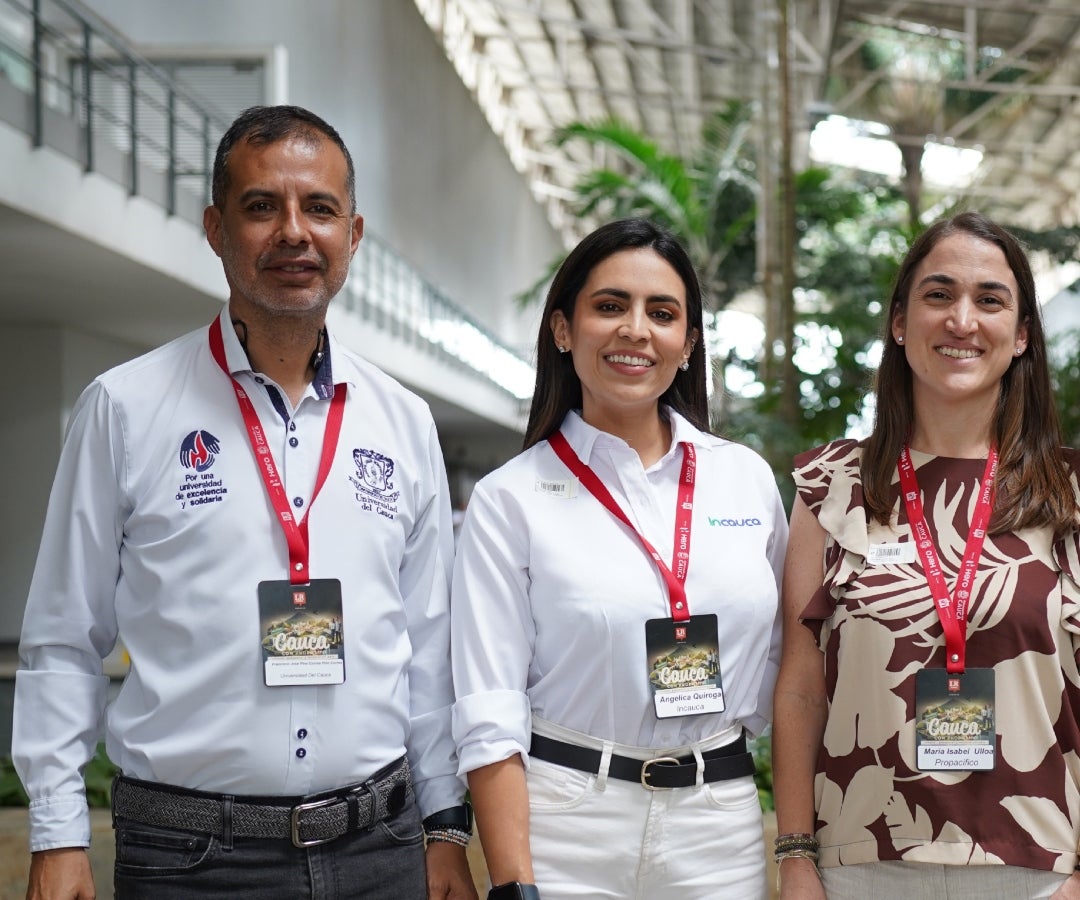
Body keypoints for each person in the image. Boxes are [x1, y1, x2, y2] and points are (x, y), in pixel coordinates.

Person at [13, 105, 477, 900]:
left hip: (382, 848)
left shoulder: (402, 421)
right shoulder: (124, 408)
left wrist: (444, 825)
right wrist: (57, 834)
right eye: (262, 206)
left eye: (319, 208)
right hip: (192, 860)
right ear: (216, 229)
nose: (294, 232)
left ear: (353, 235)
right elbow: (63, 637)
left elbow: (428, 648)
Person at [450, 218, 787, 899]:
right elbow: (489, 710)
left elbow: (787, 658)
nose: (637, 329)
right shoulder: (509, 500)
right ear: (564, 330)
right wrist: (515, 883)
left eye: (662, 314)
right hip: (568, 823)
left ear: (687, 345)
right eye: (610, 307)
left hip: (718, 823)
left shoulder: (744, 479)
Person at [771, 211, 1080, 899]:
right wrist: (794, 855)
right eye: (939, 295)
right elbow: (799, 685)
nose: (962, 320)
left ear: (1023, 333)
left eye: (989, 299)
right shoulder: (831, 489)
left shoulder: (1070, 495)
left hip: (1036, 866)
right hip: (861, 859)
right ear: (900, 321)